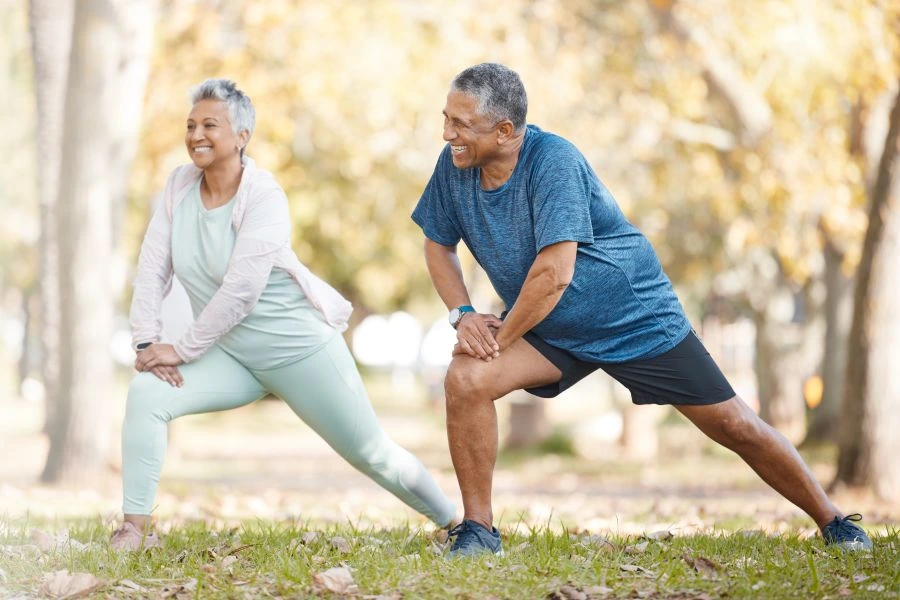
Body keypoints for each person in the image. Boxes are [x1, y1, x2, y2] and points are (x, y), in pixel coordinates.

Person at [411, 63, 873, 557]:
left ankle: (835, 521)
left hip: (629, 316)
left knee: (735, 424)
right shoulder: (454, 166)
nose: (448, 134)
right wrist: (463, 315)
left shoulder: (553, 162)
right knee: (466, 378)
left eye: (460, 124)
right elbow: (438, 244)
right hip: (548, 323)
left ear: (505, 132)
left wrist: (497, 340)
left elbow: (554, 273)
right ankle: (479, 531)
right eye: (447, 119)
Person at [111, 78, 456, 550]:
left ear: (241, 136)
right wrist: (147, 343)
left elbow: (241, 292)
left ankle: (458, 523)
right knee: (148, 395)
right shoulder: (178, 188)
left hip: (299, 350)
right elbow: (152, 268)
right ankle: (134, 530)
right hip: (232, 357)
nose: (196, 135)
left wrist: (183, 348)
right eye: (190, 125)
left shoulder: (266, 197)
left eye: (210, 125)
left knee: (372, 453)